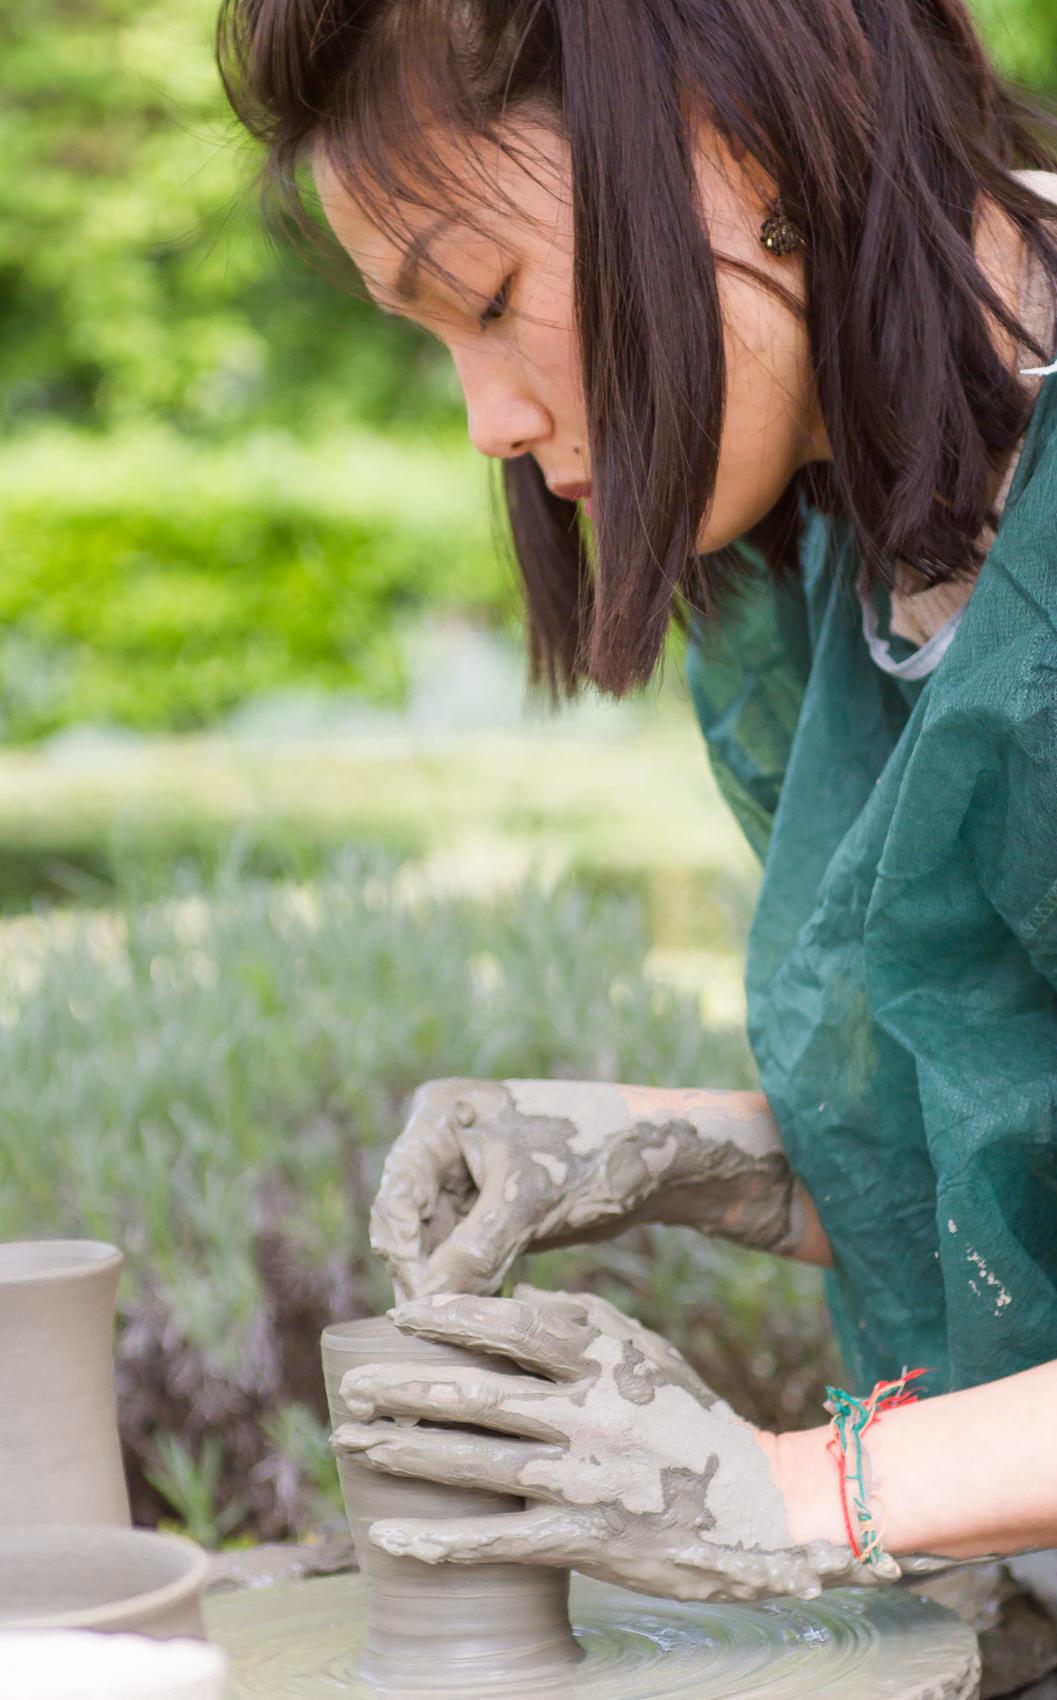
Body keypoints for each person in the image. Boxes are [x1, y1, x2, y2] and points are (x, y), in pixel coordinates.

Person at [218, 0, 1057, 1632]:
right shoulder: (828, 537)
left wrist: (789, 1492)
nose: (491, 426)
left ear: (734, 138)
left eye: (490, 300)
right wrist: (679, 1155)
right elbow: (999, 1139)